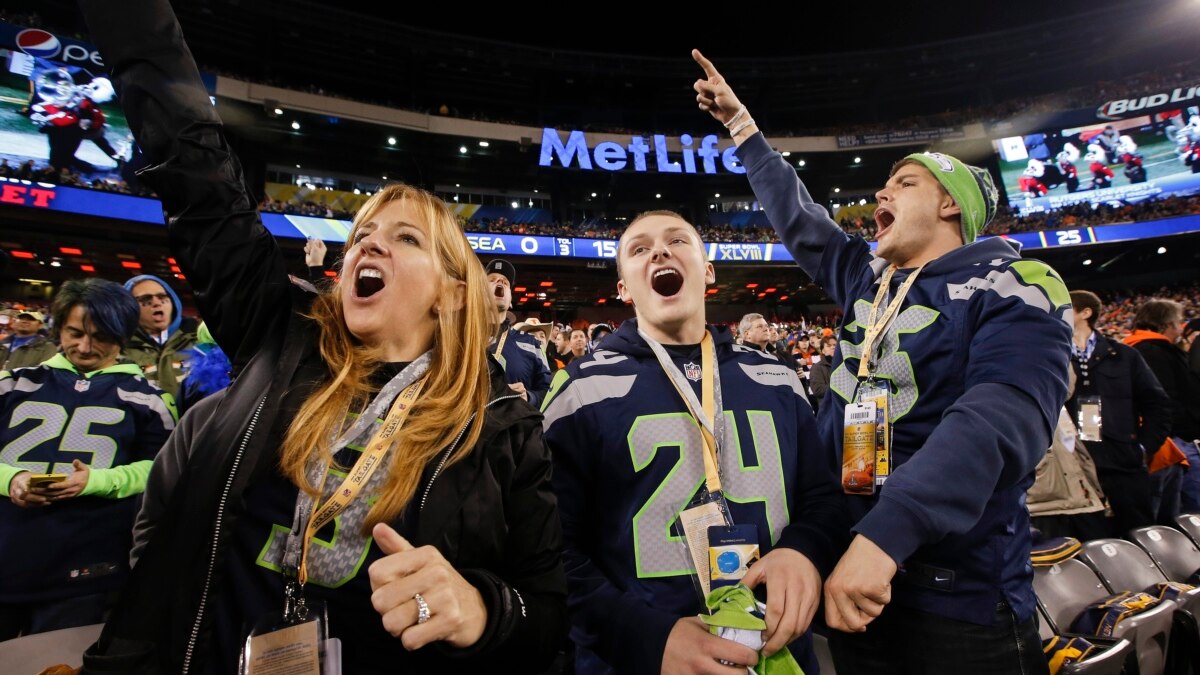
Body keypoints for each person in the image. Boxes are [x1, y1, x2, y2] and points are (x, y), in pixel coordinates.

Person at [77, 3, 565, 672]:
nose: (369, 242)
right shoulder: (279, 336)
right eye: (363, 232)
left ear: (454, 292)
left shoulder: (501, 427)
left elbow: (546, 609)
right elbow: (199, 178)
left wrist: (481, 608)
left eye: (405, 237)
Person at [694, 50, 1072, 674]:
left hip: (956, 597)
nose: (881, 191)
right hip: (854, 580)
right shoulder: (872, 282)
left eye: (904, 183)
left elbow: (997, 420)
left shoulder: (1015, 281)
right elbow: (802, 222)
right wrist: (743, 130)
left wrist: (886, 534)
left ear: (951, 204)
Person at [541, 210, 843, 674]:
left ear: (707, 271)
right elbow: (553, 552)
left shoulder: (777, 377)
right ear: (623, 288)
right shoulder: (580, 390)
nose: (659, 250)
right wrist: (647, 638)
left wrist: (804, 550)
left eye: (677, 240)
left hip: (773, 650)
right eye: (639, 249)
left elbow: (820, 499)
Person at [0, 278, 176, 639]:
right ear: (59, 328)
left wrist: (96, 482)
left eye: (101, 336)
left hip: (86, 566)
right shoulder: (12, 383)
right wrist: (11, 480)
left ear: (123, 335)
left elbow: (161, 470)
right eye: (75, 332)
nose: (85, 346)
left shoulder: (150, 400)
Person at [1066, 290, 1170, 537]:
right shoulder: (1054, 356)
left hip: (1123, 462)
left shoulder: (1124, 355)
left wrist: (1143, 448)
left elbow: (1157, 405)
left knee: (1139, 535)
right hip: (1078, 465)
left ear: (1085, 313)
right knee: (1091, 541)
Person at [1123, 299, 1200, 522]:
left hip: (1160, 442)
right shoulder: (1154, 351)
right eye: (1177, 323)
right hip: (1170, 444)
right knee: (1184, 517)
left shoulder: (1133, 348)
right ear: (1166, 324)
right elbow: (1166, 401)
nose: (1179, 329)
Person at [485, 259, 553, 408]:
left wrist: (529, 397)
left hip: (516, 428)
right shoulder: (459, 338)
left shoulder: (531, 344)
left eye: (505, 282)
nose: (500, 282)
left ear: (510, 301)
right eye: (492, 280)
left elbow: (550, 392)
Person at [121, 273, 197, 398]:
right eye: (146, 299)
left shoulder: (201, 343)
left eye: (162, 297)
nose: (156, 303)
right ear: (128, 308)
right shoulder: (117, 349)